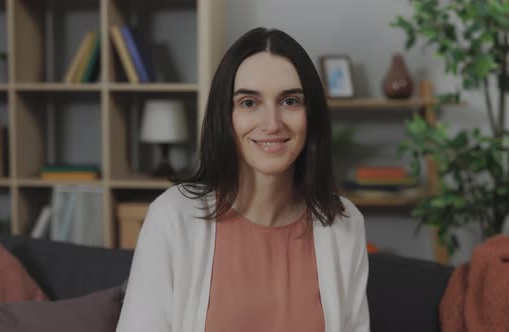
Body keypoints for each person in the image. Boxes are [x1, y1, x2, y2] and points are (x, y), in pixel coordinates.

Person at [116, 27, 370, 332]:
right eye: (249, 103)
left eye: (290, 101)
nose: (272, 124)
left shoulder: (344, 223)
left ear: (311, 114)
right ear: (225, 116)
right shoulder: (171, 217)